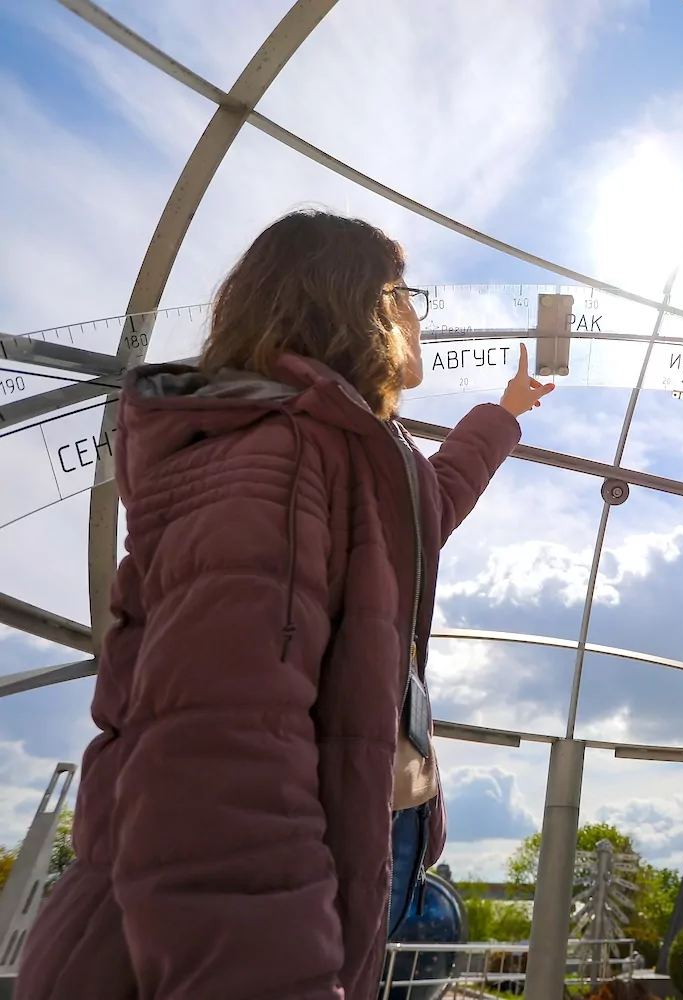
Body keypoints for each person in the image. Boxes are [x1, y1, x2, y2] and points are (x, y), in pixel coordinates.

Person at [16, 210, 553, 1000]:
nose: (416, 315)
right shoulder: (271, 455)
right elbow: (217, 756)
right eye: (404, 294)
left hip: (362, 821)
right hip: (226, 915)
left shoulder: (359, 451)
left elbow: (426, 510)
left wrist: (502, 415)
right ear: (355, 305)